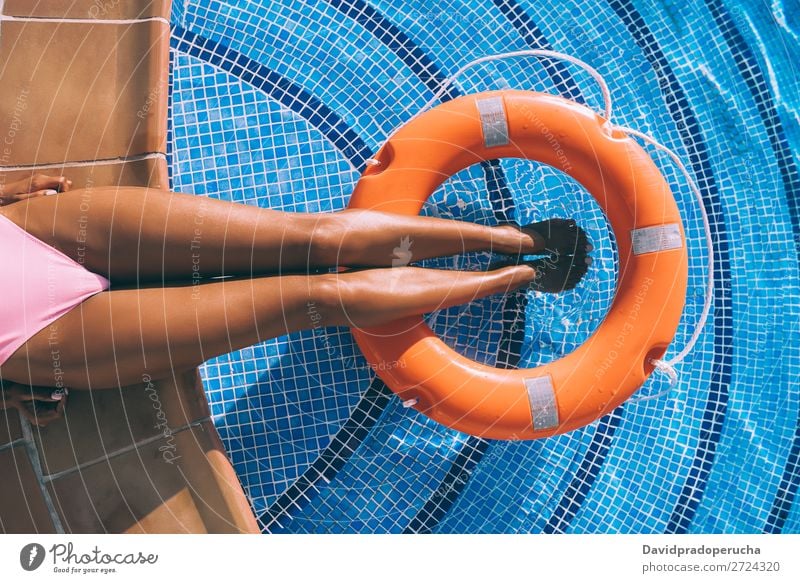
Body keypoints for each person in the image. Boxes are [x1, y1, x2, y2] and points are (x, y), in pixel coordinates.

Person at [0, 175, 591, 426]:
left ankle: (518, 265)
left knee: (316, 279)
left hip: (25, 310)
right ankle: (523, 251)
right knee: (314, 249)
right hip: (25, 286)